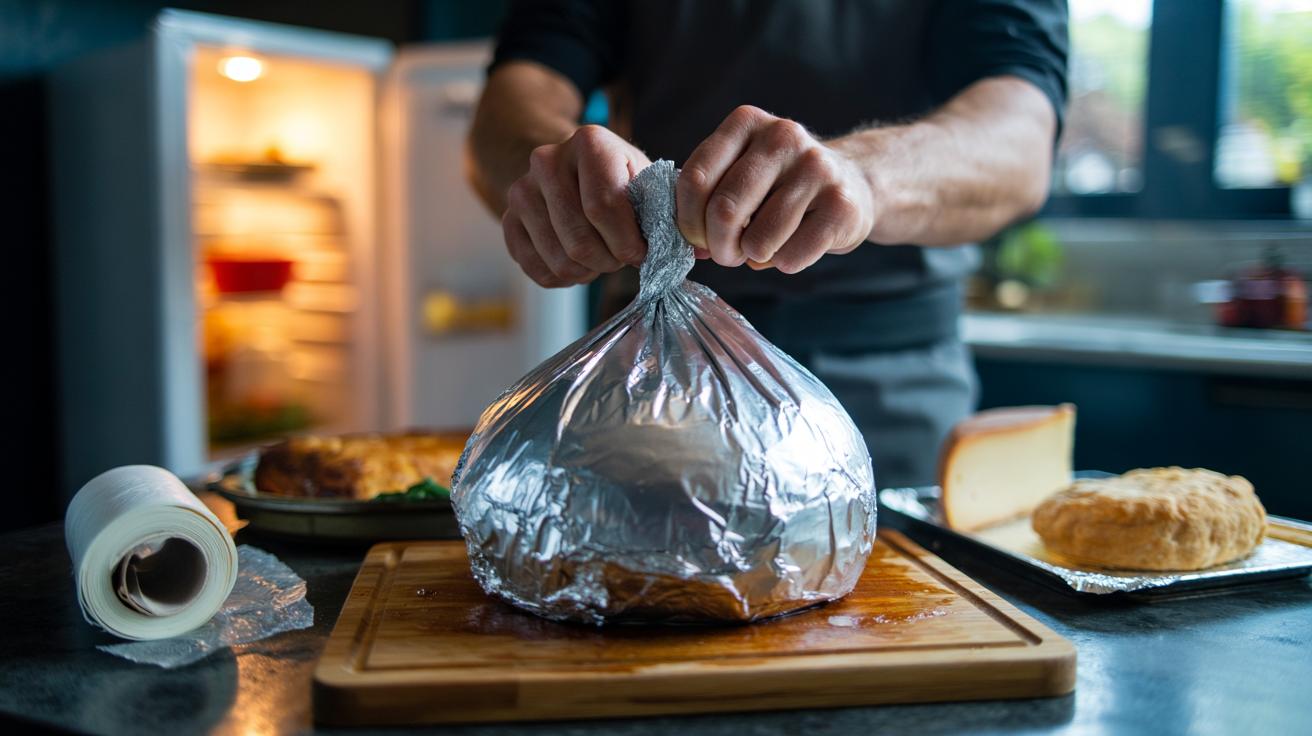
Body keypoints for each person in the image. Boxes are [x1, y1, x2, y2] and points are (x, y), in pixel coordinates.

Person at [466, 0, 1069, 488]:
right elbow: (514, 97)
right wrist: (550, 171)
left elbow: (1020, 136)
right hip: (652, 376)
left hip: (888, 381)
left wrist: (863, 177)